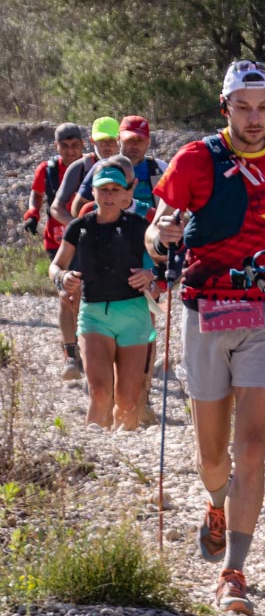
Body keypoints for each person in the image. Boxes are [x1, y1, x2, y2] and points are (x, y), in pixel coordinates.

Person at [147, 61, 265, 616]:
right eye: (243, 107)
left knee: (253, 446)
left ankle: (233, 572)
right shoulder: (195, 159)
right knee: (213, 456)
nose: (254, 118)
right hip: (206, 313)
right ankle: (216, 503)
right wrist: (160, 236)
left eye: (263, 107)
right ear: (225, 108)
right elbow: (156, 228)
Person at [49, 157, 157, 430]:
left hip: (134, 313)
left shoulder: (139, 226)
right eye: (103, 189)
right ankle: (93, 449)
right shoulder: (79, 227)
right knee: (99, 392)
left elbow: (165, 264)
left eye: (115, 190)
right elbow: (56, 265)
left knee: (127, 400)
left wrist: (150, 275)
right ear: (93, 192)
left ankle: (121, 450)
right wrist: (62, 278)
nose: (108, 196)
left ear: (125, 194)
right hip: (94, 313)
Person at [24, 123, 85, 379]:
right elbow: (37, 194)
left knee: (84, 296)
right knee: (67, 294)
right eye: (65, 146)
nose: (70, 151)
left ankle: (87, 346)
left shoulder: (90, 167)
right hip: (57, 242)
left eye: (75, 146)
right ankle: (71, 354)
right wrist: (32, 213)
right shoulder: (47, 169)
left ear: (83, 145)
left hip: (87, 241)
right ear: (56, 146)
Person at [51, 116, 118, 230]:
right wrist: (77, 227)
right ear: (92, 141)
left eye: (111, 141)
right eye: (102, 141)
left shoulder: (128, 167)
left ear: (119, 140)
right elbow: (56, 207)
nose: (107, 146)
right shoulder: (80, 167)